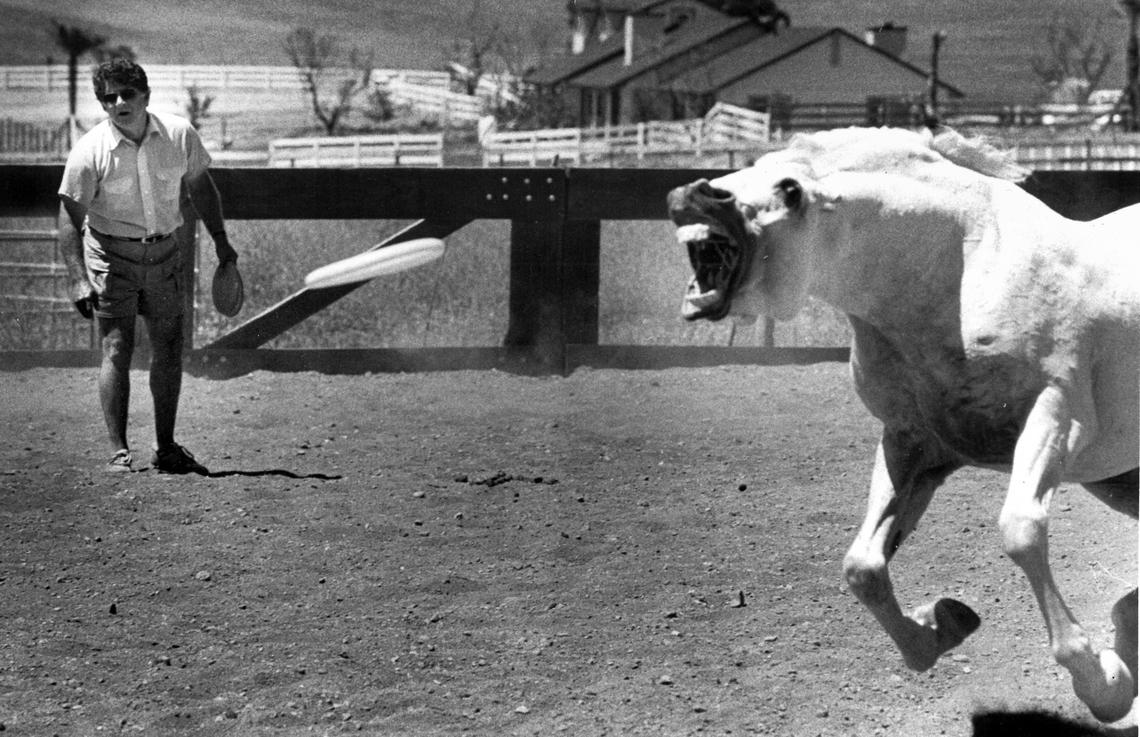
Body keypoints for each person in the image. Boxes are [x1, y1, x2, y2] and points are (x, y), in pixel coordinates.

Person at [58, 59, 238, 474]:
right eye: (109, 97)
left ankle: (166, 446)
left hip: (164, 255)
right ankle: (120, 451)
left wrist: (222, 242)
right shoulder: (89, 152)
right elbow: (69, 217)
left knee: (169, 347)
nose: (119, 102)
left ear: (146, 96)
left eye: (127, 94)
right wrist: (77, 279)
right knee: (117, 348)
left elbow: (201, 189)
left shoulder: (179, 135)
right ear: (102, 103)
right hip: (110, 256)